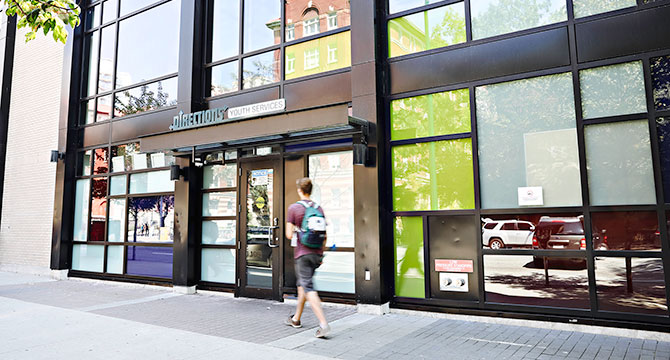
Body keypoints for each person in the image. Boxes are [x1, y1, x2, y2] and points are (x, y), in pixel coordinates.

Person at [284, 177, 330, 338]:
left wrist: (298, 230)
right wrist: (321, 253)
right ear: (311, 190)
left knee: (309, 288)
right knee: (302, 285)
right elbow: (325, 235)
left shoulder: (294, 208)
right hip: (316, 254)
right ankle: (296, 319)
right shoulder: (319, 208)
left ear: (299, 190)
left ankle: (323, 324)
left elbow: (289, 235)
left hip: (303, 254)